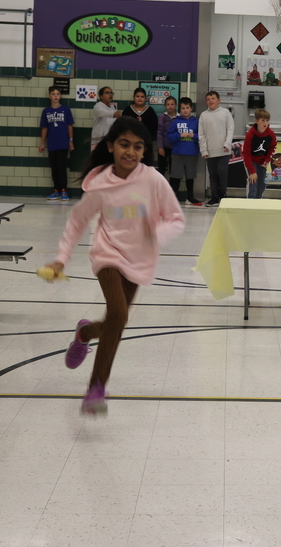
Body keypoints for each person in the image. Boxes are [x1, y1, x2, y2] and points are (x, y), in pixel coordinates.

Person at [48, 117, 185, 415]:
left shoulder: (153, 180)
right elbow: (77, 221)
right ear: (110, 146)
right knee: (119, 314)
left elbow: (176, 218)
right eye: (124, 144)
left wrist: (155, 235)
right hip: (107, 254)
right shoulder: (99, 186)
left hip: (139, 260)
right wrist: (61, 257)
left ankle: (85, 334)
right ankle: (96, 388)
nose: (131, 152)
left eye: (138, 147)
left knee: (114, 322)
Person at [38, 86, 75, 201]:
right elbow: (44, 128)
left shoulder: (66, 110)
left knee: (61, 167)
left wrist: (71, 141)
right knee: (54, 168)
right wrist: (42, 143)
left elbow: (70, 126)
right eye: (53, 94)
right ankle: (56, 190)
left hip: (63, 143)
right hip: (52, 144)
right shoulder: (46, 111)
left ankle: (64, 190)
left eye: (58, 94)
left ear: (60, 96)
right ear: (49, 96)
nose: (55, 96)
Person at [198, 91, 235, 206]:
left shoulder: (225, 113)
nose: (211, 100)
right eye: (208, 99)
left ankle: (223, 195)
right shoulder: (204, 115)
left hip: (224, 150)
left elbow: (230, 129)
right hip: (210, 151)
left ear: (219, 100)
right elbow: (201, 134)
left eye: (213, 98)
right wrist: (203, 150)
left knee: (222, 172)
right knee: (213, 174)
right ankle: (214, 196)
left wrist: (227, 143)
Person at [166, 97, 202, 206]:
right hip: (178, 153)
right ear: (179, 109)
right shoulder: (175, 122)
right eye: (183, 108)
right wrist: (179, 135)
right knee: (175, 175)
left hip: (192, 153)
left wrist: (194, 136)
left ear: (191, 108)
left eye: (187, 108)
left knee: (190, 176)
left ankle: (190, 197)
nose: (185, 110)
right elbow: (169, 137)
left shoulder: (196, 122)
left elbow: (201, 136)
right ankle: (172, 197)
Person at [243, 108, 277, 199]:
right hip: (251, 161)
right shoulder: (250, 135)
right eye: (262, 120)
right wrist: (252, 171)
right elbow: (246, 153)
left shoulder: (271, 134)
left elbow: (272, 147)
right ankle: (250, 202)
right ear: (256, 121)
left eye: (267, 121)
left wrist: (267, 159)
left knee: (261, 184)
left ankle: (258, 202)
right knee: (253, 182)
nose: (265, 123)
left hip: (262, 162)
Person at [121, 87, 158, 166]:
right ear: (134, 97)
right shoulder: (128, 110)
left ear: (145, 98)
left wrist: (142, 125)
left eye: (142, 97)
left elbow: (154, 126)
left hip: (145, 143)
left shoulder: (150, 111)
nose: (140, 99)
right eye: (138, 96)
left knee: (145, 164)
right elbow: (123, 125)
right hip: (130, 142)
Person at [156, 96, 178, 177]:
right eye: (168, 104)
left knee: (173, 169)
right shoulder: (162, 117)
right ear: (165, 106)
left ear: (176, 105)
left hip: (175, 148)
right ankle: (160, 188)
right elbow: (159, 132)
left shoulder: (179, 117)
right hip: (163, 147)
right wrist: (160, 147)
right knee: (161, 169)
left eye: (172, 104)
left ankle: (172, 188)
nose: (170, 106)